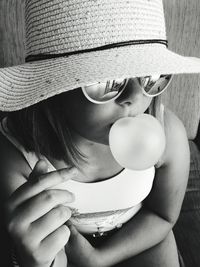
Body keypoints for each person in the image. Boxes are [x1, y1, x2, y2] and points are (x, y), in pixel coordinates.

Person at [0, 0, 200, 266]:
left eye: (151, 75)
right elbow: (39, 246)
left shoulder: (167, 135)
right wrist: (34, 260)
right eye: (109, 81)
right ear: (52, 90)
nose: (135, 96)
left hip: (140, 237)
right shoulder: (16, 154)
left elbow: (162, 215)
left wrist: (99, 259)